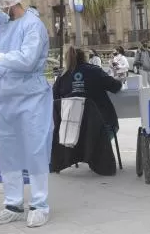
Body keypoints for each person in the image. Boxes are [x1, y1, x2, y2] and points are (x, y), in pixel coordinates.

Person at [0, 0, 53, 228]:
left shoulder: (33, 26)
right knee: (8, 152)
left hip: (31, 97)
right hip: (6, 98)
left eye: (0, 7)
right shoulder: (4, 30)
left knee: (35, 150)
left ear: (10, 3)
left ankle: (40, 205)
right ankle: (13, 205)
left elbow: (27, 61)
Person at [51, 45, 122, 175]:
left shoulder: (62, 77)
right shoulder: (95, 71)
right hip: (100, 123)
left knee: (82, 125)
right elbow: (115, 87)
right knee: (107, 124)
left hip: (71, 127)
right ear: (85, 57)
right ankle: (94, 152)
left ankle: (80, 152)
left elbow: (55, 99)